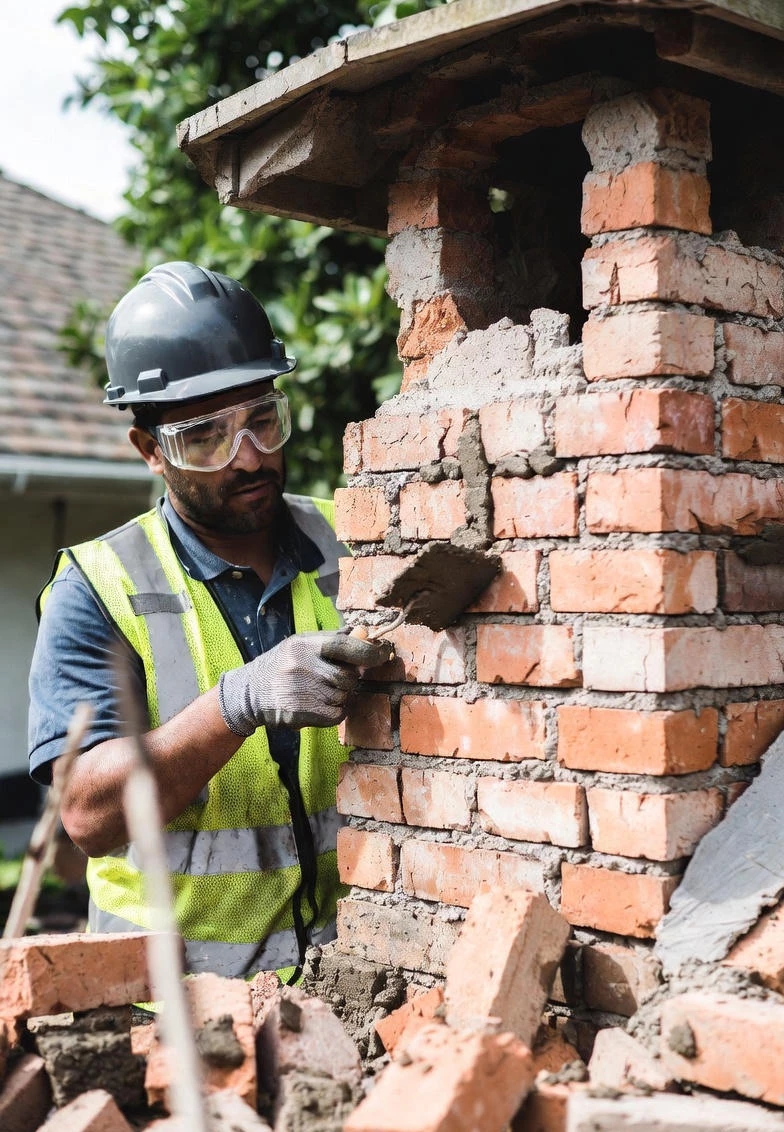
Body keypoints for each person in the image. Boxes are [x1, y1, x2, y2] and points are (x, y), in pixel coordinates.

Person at [28, 261, 390, 982]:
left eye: (262, 419)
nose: (248, 456)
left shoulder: (354, 542)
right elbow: (87, 816)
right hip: (173, 1017)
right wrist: (234, 704)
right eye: (205, 437)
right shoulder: (98, 587)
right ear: (149, 451)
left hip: (344, 991)